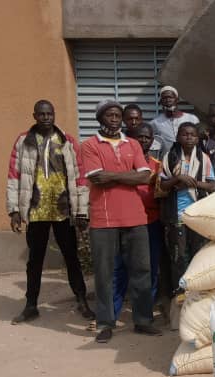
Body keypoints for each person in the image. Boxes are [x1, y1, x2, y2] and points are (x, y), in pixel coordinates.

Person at [7, 100, 94, 324]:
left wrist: (82, 211)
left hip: (63, 208)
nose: (46, 118)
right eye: (41, 114)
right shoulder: (23, 141)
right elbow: (14, 176)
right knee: (34, 260)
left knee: (71, 257)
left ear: (54, 115)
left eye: (49, 114)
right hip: (36, 209)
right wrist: (14, 210)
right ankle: (31, 305)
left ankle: (82, 300)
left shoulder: (67, 141)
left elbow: (80, 177)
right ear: (34, 116)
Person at [80, 99, 157, 343]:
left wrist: (112, 176)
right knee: (104, 273)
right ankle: (105, 323)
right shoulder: (89, 145)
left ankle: (143, 320)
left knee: (142, 269)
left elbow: (144, 176)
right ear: (100, 118)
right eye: (109, 115)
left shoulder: (132, 144)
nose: (114, 119)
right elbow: (97, 178)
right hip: (104, 219)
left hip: (135, 216)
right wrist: (128, 176)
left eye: (117, 115)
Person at [112, 123, 166, 323]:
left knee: (149, 269)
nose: (143, 140)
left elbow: (161, 193)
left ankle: (145, 315)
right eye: (139, 136)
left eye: (147, 137)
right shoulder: (121, 163)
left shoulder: (157, 165)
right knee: (119, 269)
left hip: (151, 222)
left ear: (152, 141)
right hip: (124, 221)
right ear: (131, 139)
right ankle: (111, 315)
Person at [158, 122, 215, 301]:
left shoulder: (204, 159)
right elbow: (162, 185)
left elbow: (212, 185)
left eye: (193, 135)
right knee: (179, 256)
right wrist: (177, 179)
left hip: (198, 214)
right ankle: (181, 292)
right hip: (177, 215)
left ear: (198, 139)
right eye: (185, 134)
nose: (189, 137)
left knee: (198, 253)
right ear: (177, 137)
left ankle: (198, 291)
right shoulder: (170, 157)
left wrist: (193, 182)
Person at [148, 86, 199, 160]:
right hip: (166, 161)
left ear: (177, 100)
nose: (168, 100)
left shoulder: (192, 119)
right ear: (161, 102)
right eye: (164, 98)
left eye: (170, 97)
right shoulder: (155, 123)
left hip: (190, 160)